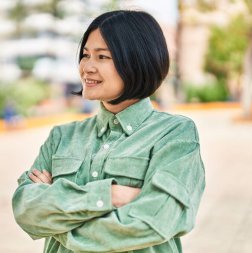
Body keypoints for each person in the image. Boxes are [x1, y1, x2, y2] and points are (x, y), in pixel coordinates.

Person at [13, 10, 205, 253]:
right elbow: (25, 209)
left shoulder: (174, 134)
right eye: (85, 55)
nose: (87, 68)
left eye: (102, 57)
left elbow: (158, 220)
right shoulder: (62, 137)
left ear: (137, 60)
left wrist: (56, 219)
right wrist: (112, 195)